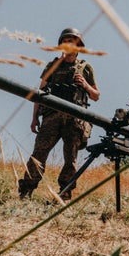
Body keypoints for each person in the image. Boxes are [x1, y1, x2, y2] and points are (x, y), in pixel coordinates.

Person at [18, 28, 100, 200]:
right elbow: (40, 92)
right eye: (66, 40)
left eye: (73, 40)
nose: (69, 43)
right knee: (38, 154)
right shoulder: (52, 66)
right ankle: (26, 191)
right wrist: (34, 118)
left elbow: (96, 96)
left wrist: (85, 85)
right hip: (51, 117)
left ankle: (65, 193)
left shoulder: (85, 67)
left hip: (74, 119)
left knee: (70, 159)